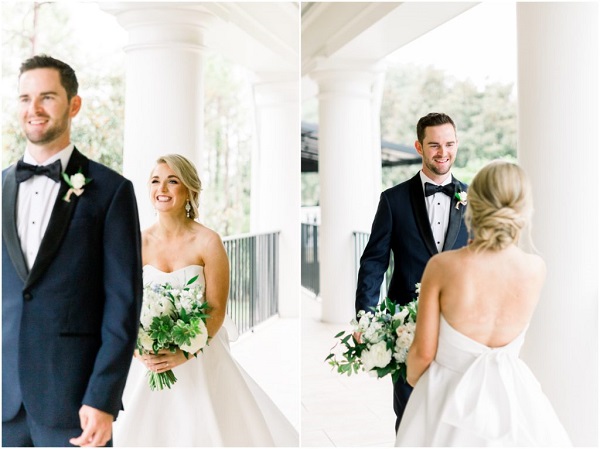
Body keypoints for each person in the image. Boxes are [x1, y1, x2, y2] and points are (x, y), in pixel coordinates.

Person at [2, 55, 143, 447]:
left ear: (73, 105)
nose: (34, 109)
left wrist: (103, 397)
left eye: (47, 97)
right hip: (3, 402)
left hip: (74, 404)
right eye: (25, 98)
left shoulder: (111, 191)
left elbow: (124, 305)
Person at [112, 154, 299, 447]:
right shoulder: (138, 241)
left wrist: (183, 354)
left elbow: (216, 309)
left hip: (199, 356)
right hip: (148, 362)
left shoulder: (208, 242)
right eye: (155, 181)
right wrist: (139, 349)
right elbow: (123, 305)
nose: (162, 188)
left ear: (189, 190)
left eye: (172, 181)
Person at [395, 160, 572, 446]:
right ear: (523, 209)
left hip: (447, 401)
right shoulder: (536, 268)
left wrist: (424, 392)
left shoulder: (442, 267)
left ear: (473, 204)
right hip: (514, 402)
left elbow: (422, 355)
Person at [355, 112, 469, 430]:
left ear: (457, 144)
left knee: (455, 419)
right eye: (434, 145)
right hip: (406, 329)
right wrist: (366, 316)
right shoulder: (392, 201)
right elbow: (374, 261)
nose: (442, 152)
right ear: (419, 146)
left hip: (461, 327)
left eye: (449, 144)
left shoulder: (474, 199)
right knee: (409, 417)